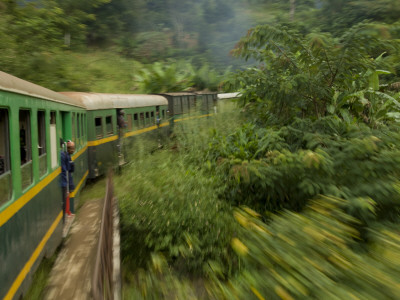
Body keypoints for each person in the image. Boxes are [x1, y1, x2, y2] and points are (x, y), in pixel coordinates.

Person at [61, 140, 75, 222]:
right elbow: (67, 168)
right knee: (66, 195)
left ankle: (68, 211)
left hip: (66, 177)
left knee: (67, 194)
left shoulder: (65, 154)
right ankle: (67, 212)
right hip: (65, 178)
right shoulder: (64, 155)